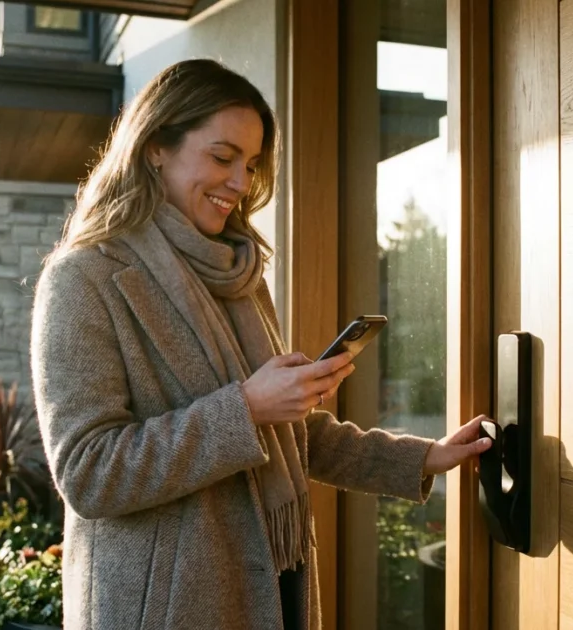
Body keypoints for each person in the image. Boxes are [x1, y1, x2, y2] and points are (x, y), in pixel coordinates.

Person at [30, 58, 492, 630]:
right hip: (161, 608)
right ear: (154, 146)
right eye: (223, 157)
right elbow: (88, 471)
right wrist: (246, 408)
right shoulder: (85, 278)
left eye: (250, 165)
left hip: (270, 588)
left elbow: (288, 434)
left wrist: (425, 456)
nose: (240, 183)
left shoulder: (238, 273)